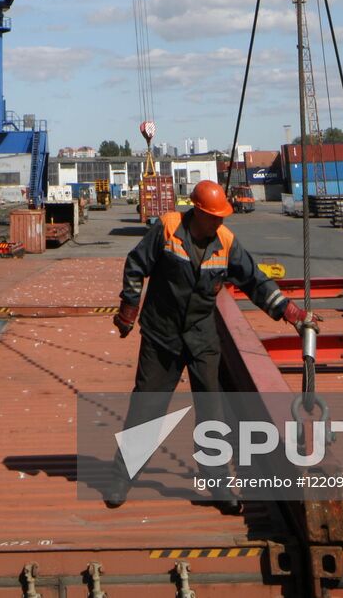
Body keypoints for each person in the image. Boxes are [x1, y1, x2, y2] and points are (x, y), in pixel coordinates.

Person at [105, 179, 315, 511]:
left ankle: (218, 486)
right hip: (162, 334)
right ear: (198, 211)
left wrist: (289, 312)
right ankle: (121, 477)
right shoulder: (168, 229)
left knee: (212, 413)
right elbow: (135, 266)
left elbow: (255, 280)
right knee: (147, 407)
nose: (220, 222)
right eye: (214, 216)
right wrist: (129, 308)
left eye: (222, 217)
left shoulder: (226, 242)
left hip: (202, 337)